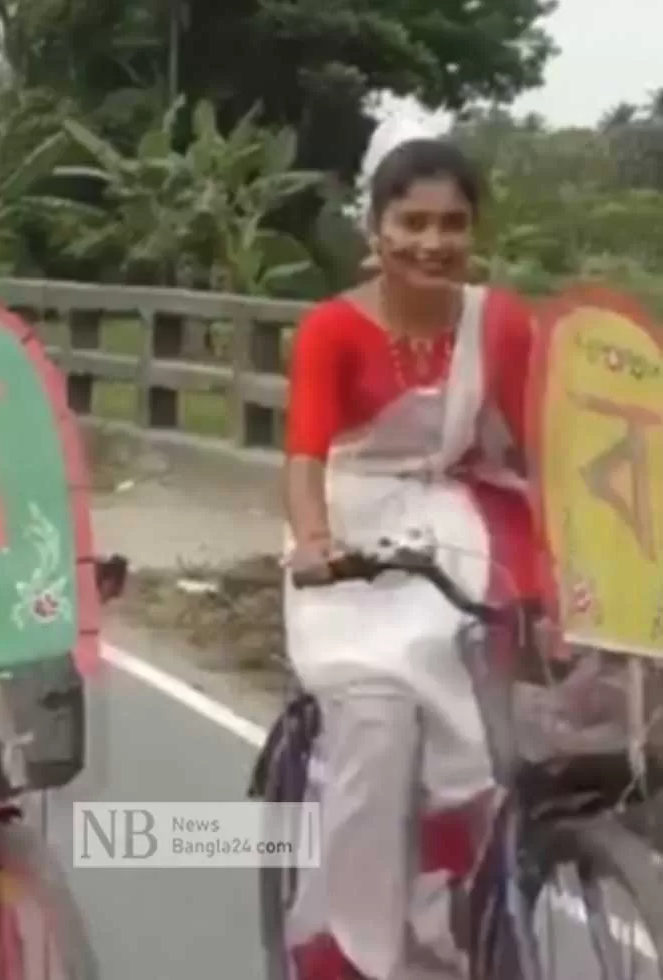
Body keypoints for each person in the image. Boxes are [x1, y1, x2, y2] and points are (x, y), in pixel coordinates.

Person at [280, 122, 539, 979]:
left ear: (476, 231)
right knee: (379, 725)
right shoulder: (331, 330)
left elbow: (539, 441)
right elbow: (305, 459)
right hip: (354, 542)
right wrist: (315, 542)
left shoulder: (498, 323)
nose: (434, 242)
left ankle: (452, 918)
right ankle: (355, 953)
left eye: (453, 223)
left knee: (507, 727)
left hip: (457, 520)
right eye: (414, 222)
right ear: (377, 229)